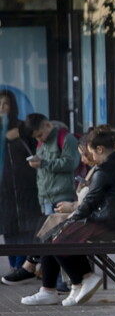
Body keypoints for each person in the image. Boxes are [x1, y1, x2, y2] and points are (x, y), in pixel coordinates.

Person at [21, 126, 115, 306]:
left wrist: (70, 221)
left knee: (57, 240)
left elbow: (89, 204)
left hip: (105, 223)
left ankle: (82, 279)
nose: (90, 159)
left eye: (90, 153)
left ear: (100, 150)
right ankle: (72, 284)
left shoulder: (103, 171)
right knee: (55, 235)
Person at [2, 113, 79, 286]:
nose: (40, 139)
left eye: (40, 135)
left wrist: (44, 163)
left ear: (47, 125)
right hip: (45, 197)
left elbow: (70, 163)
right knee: (48, 240)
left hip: (61, 196)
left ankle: (58, 279)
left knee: (56, 240)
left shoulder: (66, 139)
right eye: (36, 137)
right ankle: (50, 279)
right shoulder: (41, 142)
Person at [0, 90, 41, 273]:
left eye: (6, 103)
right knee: (9, 228)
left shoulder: (22, 127)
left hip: (26, 185)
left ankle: (26, 267)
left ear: (12, 106)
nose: (2, 107)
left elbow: (36, 150)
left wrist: (21, 135)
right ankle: (14, 266)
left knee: (27, 227)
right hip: (4, 188)